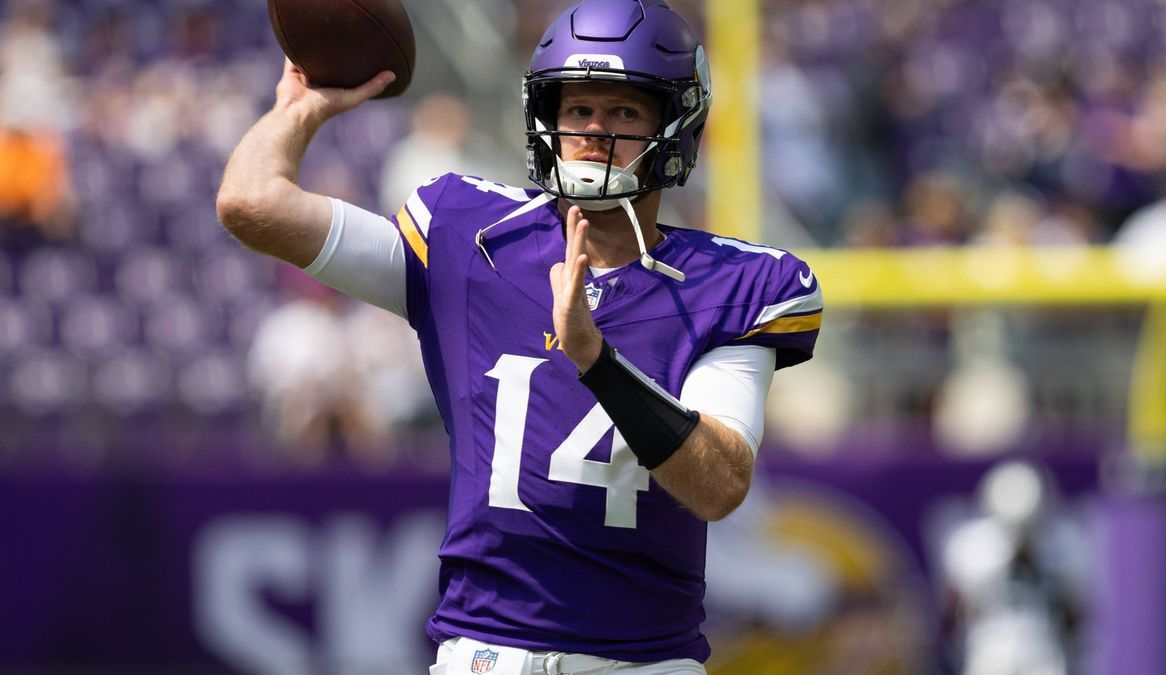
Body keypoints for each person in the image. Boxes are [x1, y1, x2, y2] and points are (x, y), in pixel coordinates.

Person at [216, 1, 822, 672]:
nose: (594, 132)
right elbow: (251, 204)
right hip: (483, 656)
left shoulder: (730, 285)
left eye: (623, 112)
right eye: (577, 109)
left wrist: (596, 359)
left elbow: (717, 483)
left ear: (673, 126)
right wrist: (301, 109)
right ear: (545, 119)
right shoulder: (471, 237)